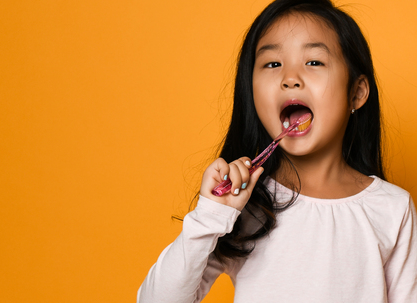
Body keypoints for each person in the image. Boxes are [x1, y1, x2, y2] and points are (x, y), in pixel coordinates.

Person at [137, 0, 417, 302]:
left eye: (314, 62)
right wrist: (211, 216)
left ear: (357, 92)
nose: (289, 78)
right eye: (272, 64)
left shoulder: (392, 208)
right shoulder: (248, 205)